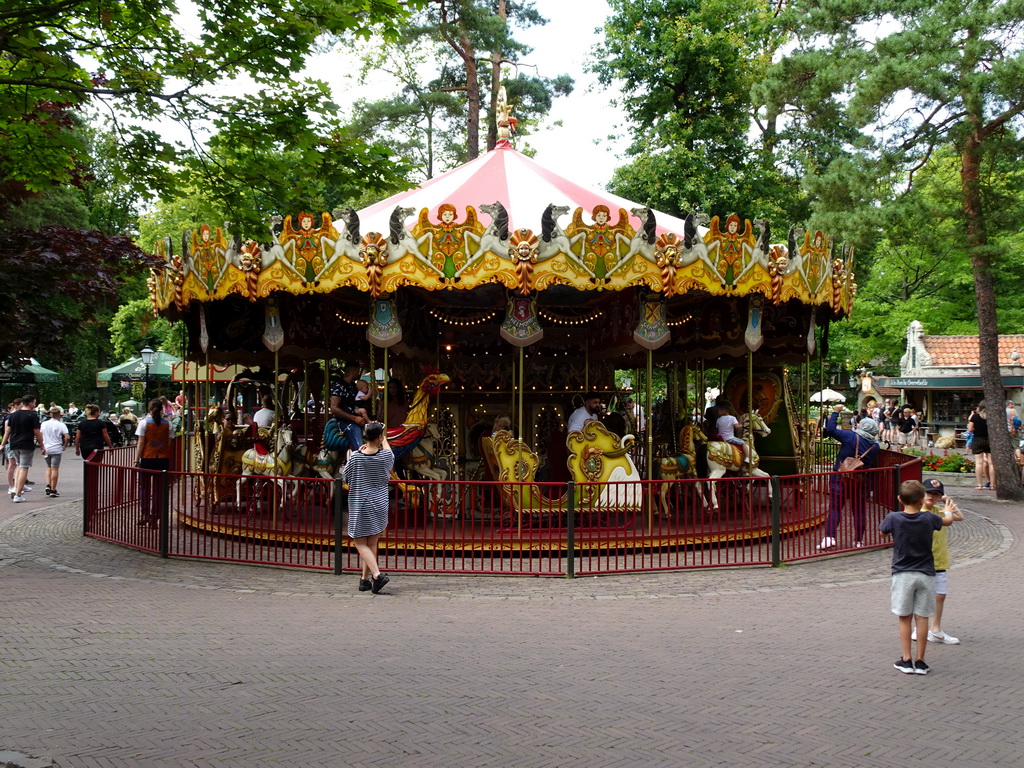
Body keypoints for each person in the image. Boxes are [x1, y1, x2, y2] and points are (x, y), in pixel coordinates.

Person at [879, 479, 958, 675]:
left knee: (904, 618)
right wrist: (948, 509)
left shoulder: (894, 518)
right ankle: (921, 661)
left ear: (900, 499)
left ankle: (906, 659)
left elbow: (882, 533)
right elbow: (948, 521)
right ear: (923, 499)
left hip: (903, 573)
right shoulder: (929, 519)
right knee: (922, 618)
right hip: (926, 573)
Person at [818, 403, 881, 549]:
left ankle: (829, 537)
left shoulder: (851, 437)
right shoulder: (875, 446)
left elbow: (831, 430)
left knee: (835, 508)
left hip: (841, 478)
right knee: (859, 510)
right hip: (861, 481)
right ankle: (859, 541)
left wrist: (835, 412)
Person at [910, 479, 965, 645]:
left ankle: (935, 629)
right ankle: (918, 628)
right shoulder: (915, 511)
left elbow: (960, 517)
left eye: (936, 494)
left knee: (940, 595)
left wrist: (946, 501)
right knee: (920, 595)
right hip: (921, 560)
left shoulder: (940, 511)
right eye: (929, 493)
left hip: (939, 560)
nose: (932, 497)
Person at [342, 421, 394, 594]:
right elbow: (389, 452)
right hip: (379, 503)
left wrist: (359, 450)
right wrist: (384, 439)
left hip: (361, 503)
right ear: (379, 437)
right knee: (371, 542)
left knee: (358, 542)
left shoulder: (357, 457)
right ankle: (364, 580)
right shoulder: (386, 457)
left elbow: (346, 476)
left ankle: (378, 575)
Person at [135, 398, 174, 527]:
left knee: (144, 487)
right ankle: (155, 518)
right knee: (159, 490)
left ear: (149, 409)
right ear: (162, 410)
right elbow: (169, 443)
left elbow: (141, 443)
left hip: (147, 458)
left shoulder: (143, 423)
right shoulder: (168, 424)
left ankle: (145, 513)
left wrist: (136, 459)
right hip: (162, 459)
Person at [0, 394, 46, 502]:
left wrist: (3, 443)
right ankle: (18, 494)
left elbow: (7, 431)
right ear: (30, 404)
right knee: (24, 467)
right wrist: (42, 445)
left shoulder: (13, 415)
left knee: (19, 466)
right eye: (34, 403)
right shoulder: (32, 415)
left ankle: (15, 488)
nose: (35, 405)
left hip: (14, 444)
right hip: (26, 443)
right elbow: (37, 432)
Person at [329, 362, 367, 451]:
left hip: (356, 420)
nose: (358, 373)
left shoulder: (353, 386)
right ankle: (360, 455)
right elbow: (334, 408)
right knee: (355, 431)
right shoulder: (338, 385)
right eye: (358, 371)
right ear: (353, 371)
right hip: (344, 422)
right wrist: (354, 418)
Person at [40, 406, 69, 497]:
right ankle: (53, 489)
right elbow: (67, 437)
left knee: (49, 467)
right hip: (56, 448)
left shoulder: (44, 424)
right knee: (55, 468)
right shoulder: (61, 425)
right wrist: (64, 446)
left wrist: (42, 445)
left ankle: (48, 484)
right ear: (59, 415)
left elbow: (40, 435)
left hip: (46, 447)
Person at [968, 401, 995, 490]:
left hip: (978, 439)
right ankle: (992, 485)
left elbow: (970, 429)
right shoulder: (992, 417)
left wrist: (975, 430)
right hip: (990, 440)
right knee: (991, 463)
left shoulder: (975, 417)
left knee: (979, 463)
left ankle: (979, 485)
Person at [715, 399, 750, 465]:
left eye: (719, 410)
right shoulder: (732, 418)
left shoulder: (718, 419)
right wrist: (741, 425)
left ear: (723, 411)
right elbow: (736, 426)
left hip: (721, 438)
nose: (718, 412)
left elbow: (717, 427)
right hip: (729, 438)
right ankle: (748, 457)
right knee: (743, 443)